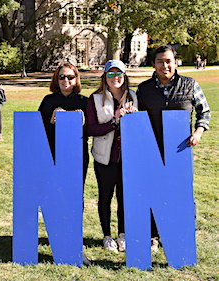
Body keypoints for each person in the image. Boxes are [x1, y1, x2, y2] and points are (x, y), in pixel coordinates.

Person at [137, 45, 211, 252]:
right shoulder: (143, 89)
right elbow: (137, 117)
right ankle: (152, 235)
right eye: (160, 61)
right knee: (153, 191)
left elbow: (204, 112)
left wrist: (198, 132)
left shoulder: (190, 84)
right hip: (153, 149)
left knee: (182, 193)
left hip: (180, 151)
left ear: (175, 62)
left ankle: (183, 232)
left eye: (168, 61)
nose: (165, 65)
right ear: (153, 64)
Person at [86, 59, 138, 253]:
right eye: (110, 74)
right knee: (105, 197)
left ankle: (123, 234)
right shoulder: (95, 99)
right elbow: (91, 128)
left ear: (124, 76)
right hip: (105, 157)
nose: (115, 78)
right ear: (104, 77)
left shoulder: (133, 96)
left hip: (128, 157)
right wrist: (114, 121)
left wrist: (133, 116)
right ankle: (107, 235)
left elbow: (140, 124)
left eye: (119, 74)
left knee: (124, 197)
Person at [38, 62, 88, 176]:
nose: (66, 80)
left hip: (77, 153)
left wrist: (84, 123)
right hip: (52, 152)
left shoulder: (84, 101)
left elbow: (92, 131)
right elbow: (38, 129)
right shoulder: (48, 101)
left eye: (70, 77)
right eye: (62, 77)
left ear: (76, 79)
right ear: (57, 79)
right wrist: (51, 121)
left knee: (76, 191)